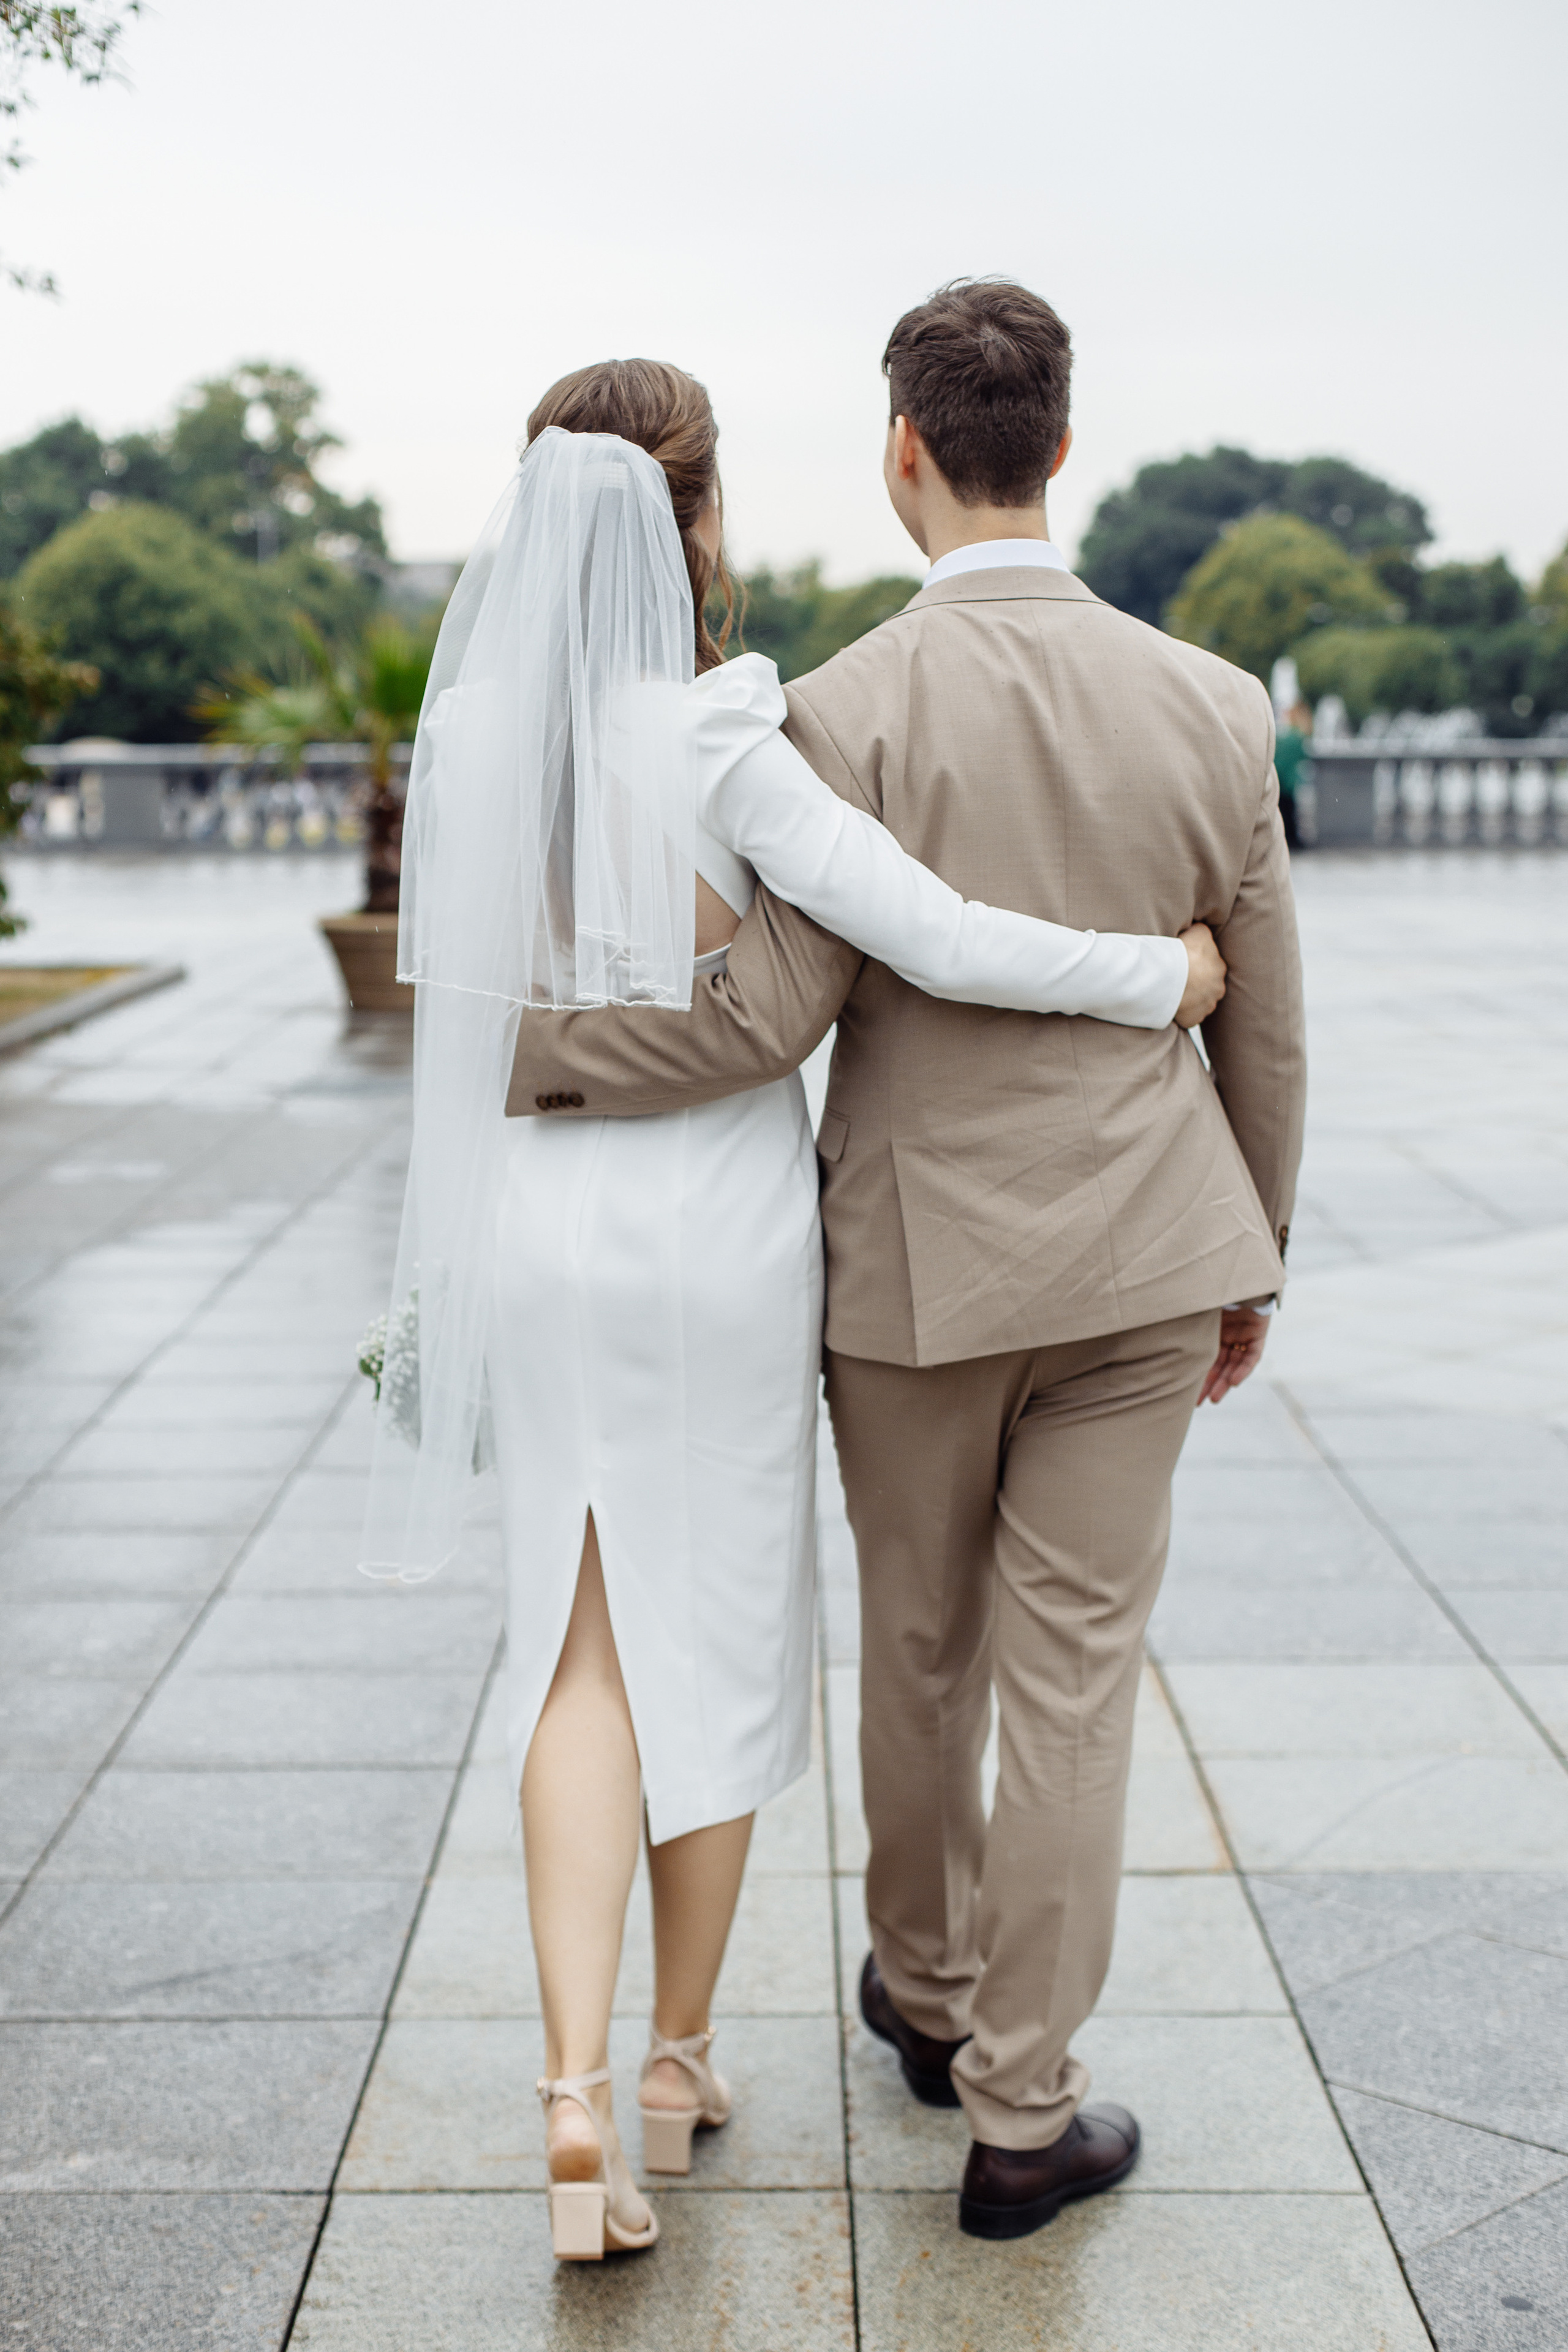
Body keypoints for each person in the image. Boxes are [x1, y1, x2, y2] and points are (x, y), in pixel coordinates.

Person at [363, 356, 1229, 2261]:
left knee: (576, 1645)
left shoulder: (478, 729)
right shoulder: (724, 735)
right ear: (696, 522)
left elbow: (466, 1025)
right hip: (721, 1242)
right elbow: (933, 934)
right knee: (722, 1634)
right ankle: (679, 2051)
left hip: (540, 1237)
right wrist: (1155, 976)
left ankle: (575, 2094)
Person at [1273, 697, 1313, 848]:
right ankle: (1292, 840)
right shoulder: (1297, 736)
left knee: (1286, 811)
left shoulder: (1288, 735)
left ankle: (1289, 839)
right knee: (1289, 811)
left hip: (1282, 779)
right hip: (1287, 781)